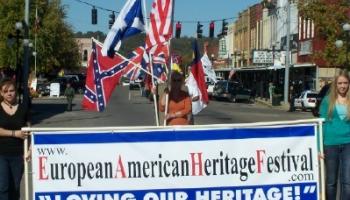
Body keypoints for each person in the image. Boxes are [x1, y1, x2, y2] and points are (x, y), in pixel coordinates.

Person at [319, 69, 350, 199]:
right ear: (335, 84)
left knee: (347, 182)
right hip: (330, 144)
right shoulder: (327, 101)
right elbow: (321, 125)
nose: (342, 86)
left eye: (345, 83)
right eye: (340, 83)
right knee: (331, 182)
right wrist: (318, 147)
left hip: (348, 144)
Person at [0, 78, 30, 200]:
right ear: (1, 93)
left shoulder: (23, 108)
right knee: (3, 187)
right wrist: (15, 133)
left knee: (15, 187)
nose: (9, 93)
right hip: (1, 154)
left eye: (11, 90)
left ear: (15, 91)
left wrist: (29, 149)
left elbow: (29, 131)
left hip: (18, 155)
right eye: (6, 91)